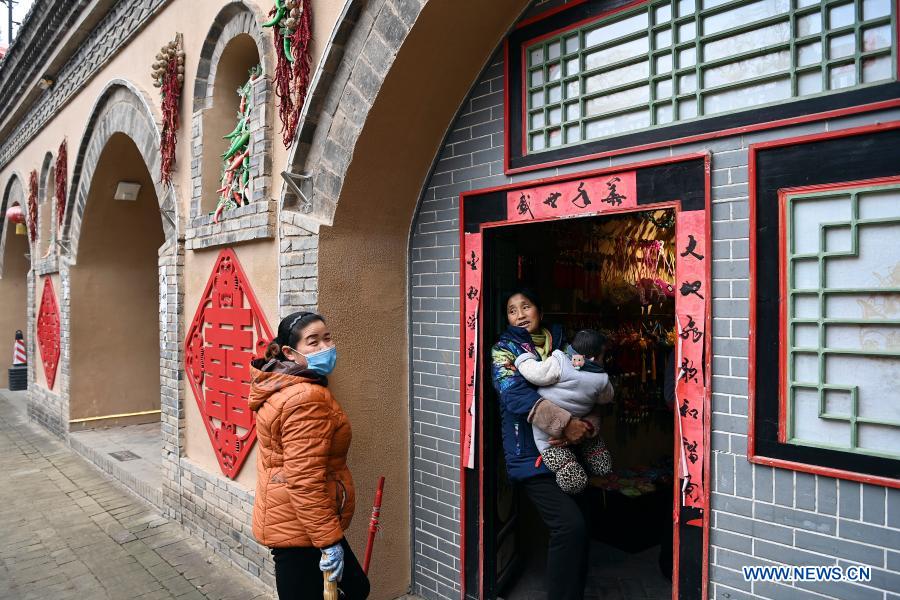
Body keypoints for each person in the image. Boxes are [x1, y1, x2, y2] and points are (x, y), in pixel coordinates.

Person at [249, 311, 370, 599]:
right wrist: (329, 541)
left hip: (292, 521)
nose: (325, 348)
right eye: (313, 342)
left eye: (327, 338)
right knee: (355, 590)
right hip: (301, 529)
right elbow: (303, 478)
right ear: (290, 353)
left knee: (354, 589)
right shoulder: (306, 398)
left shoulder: (281, 384)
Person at [491, 289, 602, 600]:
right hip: (529, 454)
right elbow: (514, 395)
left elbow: (590, 379)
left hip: (571, 451)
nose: (520, 314)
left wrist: (586, 425)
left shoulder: (564, 345)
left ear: (539, 309)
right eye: (512, 310)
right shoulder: (503, 351)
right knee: (569, 526)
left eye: (526, 306)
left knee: (581, 527)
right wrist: (565, 424)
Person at [514, 328, 614, 494]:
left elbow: (536, 374)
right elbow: (606, 398)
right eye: (604, 356)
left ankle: (571, 474)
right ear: (594, 358)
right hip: (576, 424)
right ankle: (598, 459)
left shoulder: (560, 361)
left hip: (547, 433)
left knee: (553, 450)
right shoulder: (602, 380)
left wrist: (524, 360)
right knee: (590, 438)